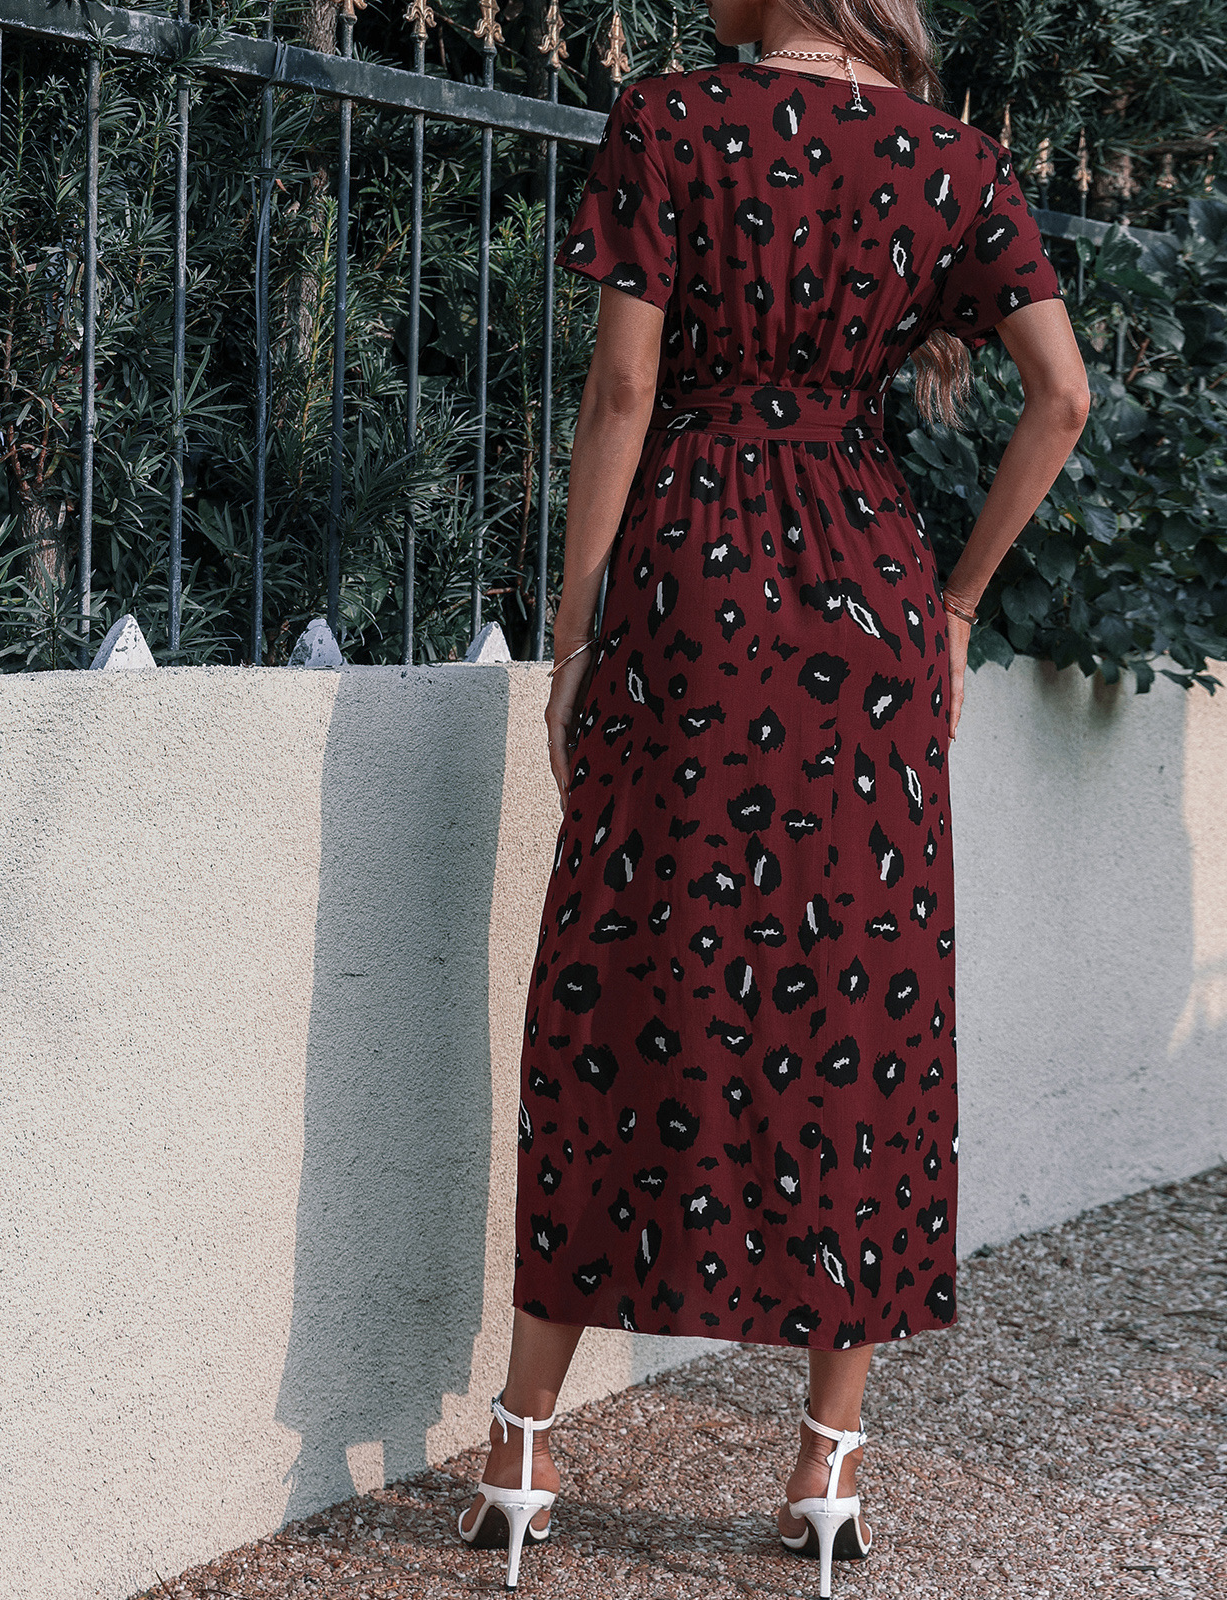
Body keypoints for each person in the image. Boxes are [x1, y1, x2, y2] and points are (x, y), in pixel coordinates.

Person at [456, 0, 1089, 1588]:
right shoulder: (953, 161)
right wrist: (955, 605)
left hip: (690, 582)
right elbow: (1064, 399)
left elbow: (622, 388)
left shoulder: (673, 121)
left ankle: (524, 1445)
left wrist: (578, 631)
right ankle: (827, 1470)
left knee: (618, 982)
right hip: (871, 602)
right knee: (863, 1001)